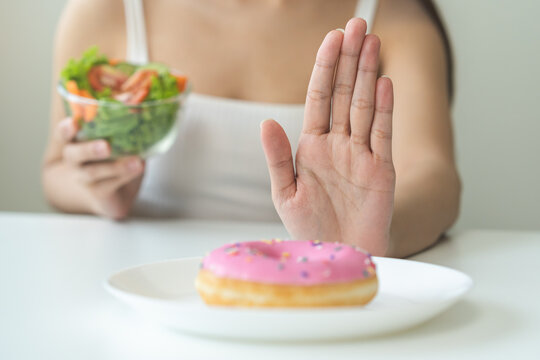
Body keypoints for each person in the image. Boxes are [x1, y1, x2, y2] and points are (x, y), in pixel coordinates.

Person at [42, 0, 461, 258]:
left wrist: (378, 235)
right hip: (143, 292)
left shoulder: (396, 15)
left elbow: (434, 178)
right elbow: (56, 169)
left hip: (319, 299)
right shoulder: (105, 8)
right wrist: (98, 191)